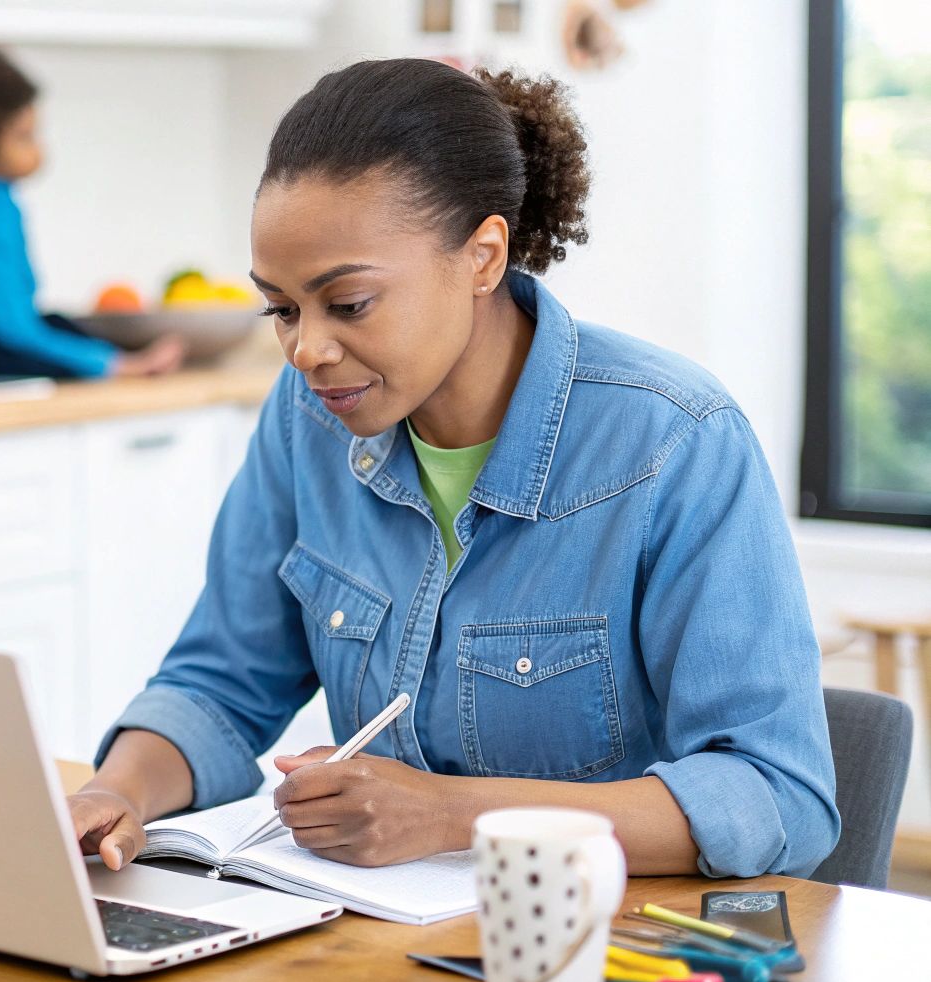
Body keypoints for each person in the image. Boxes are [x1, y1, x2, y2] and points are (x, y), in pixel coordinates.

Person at [69, 58, 839, 879]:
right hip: (370, 948)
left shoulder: (673, 443)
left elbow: (776, 793)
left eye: (350, 304)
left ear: (482, 256)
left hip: (603, 958)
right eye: (283, 310)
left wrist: (448, 817)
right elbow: (220, 684)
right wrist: (115, 792)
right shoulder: (307, 425)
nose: (309, 352)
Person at [0, 46, 184, 379]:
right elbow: (13, 328)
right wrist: (102, 364)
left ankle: (121, 360)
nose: (38, 149)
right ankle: (121, 364)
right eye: (24, 137)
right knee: (50, 345)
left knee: (57, 323)